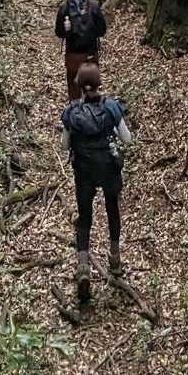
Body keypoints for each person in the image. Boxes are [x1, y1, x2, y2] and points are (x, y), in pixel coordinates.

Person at [61, 61, 131, 302]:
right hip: (108, 168)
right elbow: (127, 138)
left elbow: (64, 146)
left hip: (84, 171)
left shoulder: (72, 112)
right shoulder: (111, 107)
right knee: (112, 210)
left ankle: (83, 266)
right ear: (99, 83)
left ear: (80, 86)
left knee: (84, 216)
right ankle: (115, 260)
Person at [55, 0, 107, 101]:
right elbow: (102, 30)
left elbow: (59, 32)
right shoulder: (94, 6)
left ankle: (76, 110)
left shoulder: (64, 7)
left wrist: (68, 31)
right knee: (91, 87)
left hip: (73, 56)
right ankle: (93, 109)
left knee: (74, 89)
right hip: (91, 55)